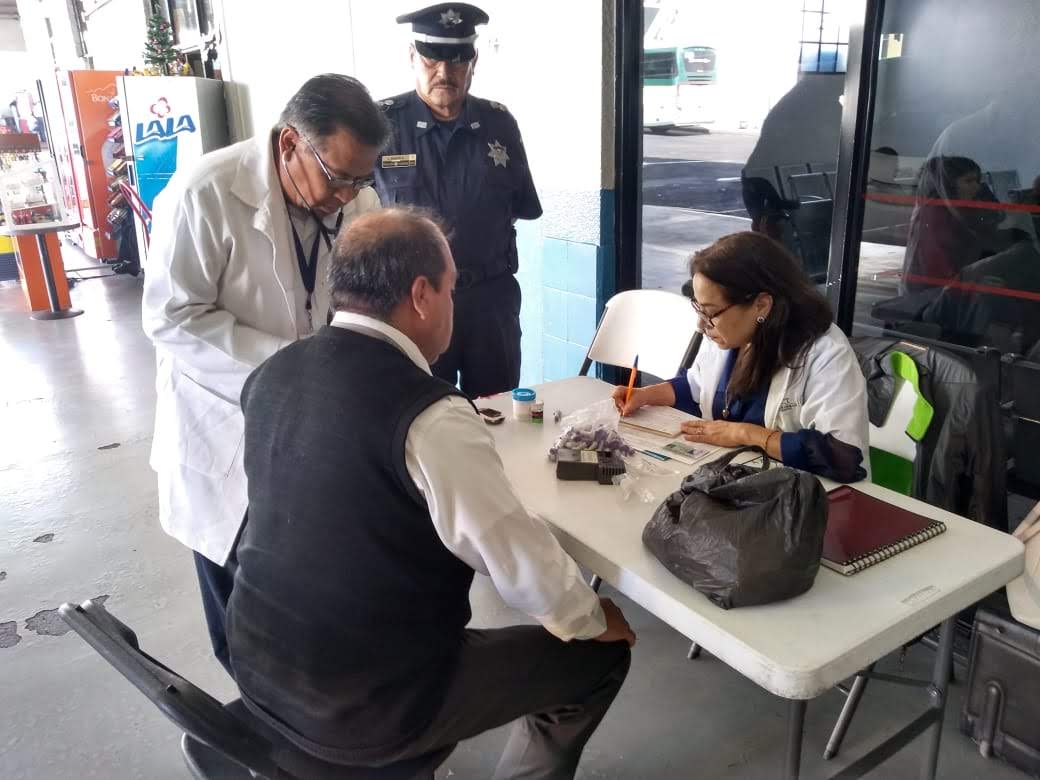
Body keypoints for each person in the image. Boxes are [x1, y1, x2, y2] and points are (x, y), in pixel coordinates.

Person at [226, 207, 633, 778]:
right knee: (599, 657)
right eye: (451, 288)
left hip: (257, 664)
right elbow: (513, 557)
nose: (453, 304)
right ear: (421, 295)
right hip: (366, 705)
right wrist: (590, 618)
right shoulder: (430, 414)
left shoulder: (275, 372)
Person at [141, 74, 390, 675]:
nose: (349, 196)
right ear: (288, 144)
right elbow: (171, 317)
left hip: (307, 427)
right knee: (239, 606)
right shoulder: (205, 193)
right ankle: (256, 721)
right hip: (222, 427)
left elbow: (357, 298)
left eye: (362, 179)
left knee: (302, 593)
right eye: (338, 177)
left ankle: (306, 708)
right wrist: (291, 365)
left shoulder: (354, 201)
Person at [373, 3, 542, 398]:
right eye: (431, 58)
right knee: (422, 411)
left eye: (457, 59)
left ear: (473, 62)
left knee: (500, 410)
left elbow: (521, 206)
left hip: (490, 302)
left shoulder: (499, 123)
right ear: (412, 56)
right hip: (414, 302)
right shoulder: (383, 125)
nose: (444, 72)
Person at [614, 231, 869, 483]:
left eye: (711, 312)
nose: (701, 325)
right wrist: (646, 395)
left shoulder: (824, 352)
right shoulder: (732, 337)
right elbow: (697, 389)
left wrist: (746, 434)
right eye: (699, 309)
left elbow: (842, 455)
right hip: (734, 481)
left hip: (804, 494)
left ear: (761, 305)